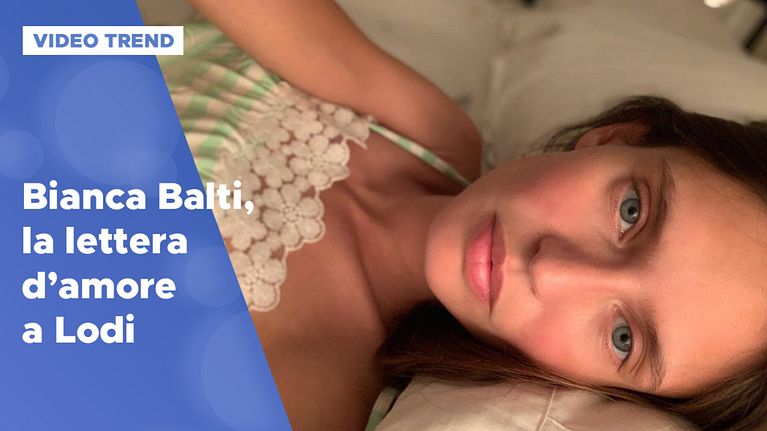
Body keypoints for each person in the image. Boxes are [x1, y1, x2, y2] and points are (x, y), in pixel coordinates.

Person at [165, 1, 767, 430]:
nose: (552, 269)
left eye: (622, 338)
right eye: (630, 212)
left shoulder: (310, 405)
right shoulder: (429, 133)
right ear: (616, 137)